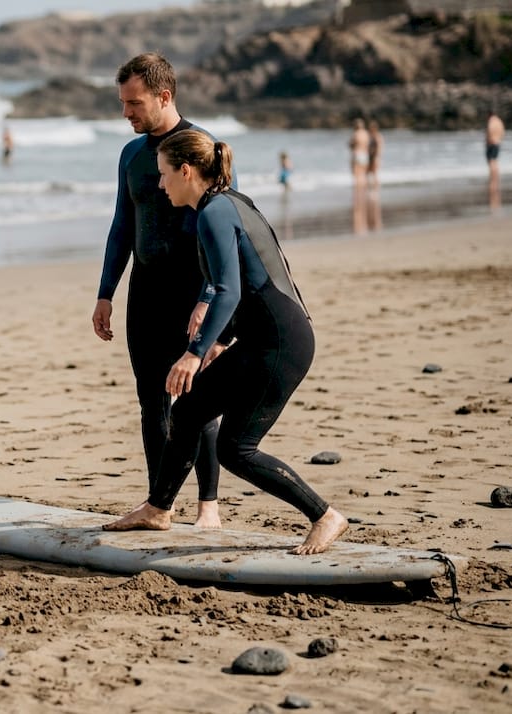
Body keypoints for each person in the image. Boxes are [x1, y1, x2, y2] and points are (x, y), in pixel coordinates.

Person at [104, 130, 348, 555]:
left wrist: (194, 353)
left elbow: (227, 290)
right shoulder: (233, 202)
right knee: (189, 413)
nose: (159, 186)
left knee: (238, 448)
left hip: (279, 343)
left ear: (185, 171)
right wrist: (224, 339)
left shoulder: (213, 213)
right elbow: (263, 276)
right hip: (271, 335)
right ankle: (158, 508)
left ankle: (325, 516)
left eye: (164, 175)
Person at [92, 52, 222, 528]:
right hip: (145, 294)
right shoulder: (130, 155)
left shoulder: (202, 148)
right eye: (123, 103)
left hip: (193, 295)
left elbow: (222, 233)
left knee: (199, 400)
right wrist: (106, 293)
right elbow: (121, 227)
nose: (126, 112)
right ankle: (158, 506)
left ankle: (208, 506)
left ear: (163, 96)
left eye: (134, 103)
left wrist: (210, 299)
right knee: (153, 402)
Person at [349, 118, 370, 234]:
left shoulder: (355, 134)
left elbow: (351, 145)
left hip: (357, 154)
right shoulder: (366, 134)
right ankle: (364, 195)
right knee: (363, 176)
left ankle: (357, 197)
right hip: (365, 155)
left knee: (356, 177)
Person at [366, 120, 384, 230]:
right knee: (371, 174)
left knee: (375, 174)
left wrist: (375, 156)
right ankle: (372, 189)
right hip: (372, 157)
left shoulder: (378, 136)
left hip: (375, 158)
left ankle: (375, 190)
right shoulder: (371, 136)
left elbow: (378, 148)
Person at [487, 111, 505, 211]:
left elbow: (489, 131)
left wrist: (489, 141)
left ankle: (492, 182)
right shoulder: (499, 121)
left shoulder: (491, 122)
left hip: (492, 143)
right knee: (496, 162)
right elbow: (503, 132)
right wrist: (499, 139)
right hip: (498, 142)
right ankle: (496, 180)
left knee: (492, 162)